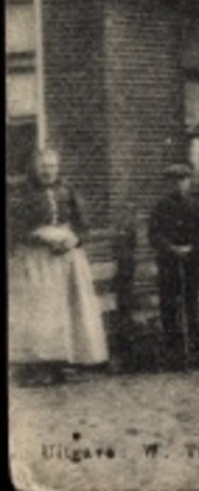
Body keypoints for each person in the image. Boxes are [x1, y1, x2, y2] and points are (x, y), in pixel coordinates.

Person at [7, 148, 109, 384]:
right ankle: (39, 365)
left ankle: (66, 361)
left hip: (67, 260)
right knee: (42, 310)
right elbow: (13, 227)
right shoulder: (20, 193)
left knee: (69, 309)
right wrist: (39, 237)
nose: (48, 171)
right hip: (36, 259)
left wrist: (75, 239)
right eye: (43, 166)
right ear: (34, 168)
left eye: (52, 166)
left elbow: (83, 224)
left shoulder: (67, 190)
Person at [149, 162, 199, 369]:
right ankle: (172, 350)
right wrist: (170, 248)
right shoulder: (160, 207)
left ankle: (194, 349)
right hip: (168, 261)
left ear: (189, 182)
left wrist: (192, 247)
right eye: (174, 181)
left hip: (191, 260)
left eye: (183, 180)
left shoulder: (196, 206)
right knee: (169, 302)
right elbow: (154, 234)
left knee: (190, 302)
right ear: (168, 184)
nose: (179, 185)